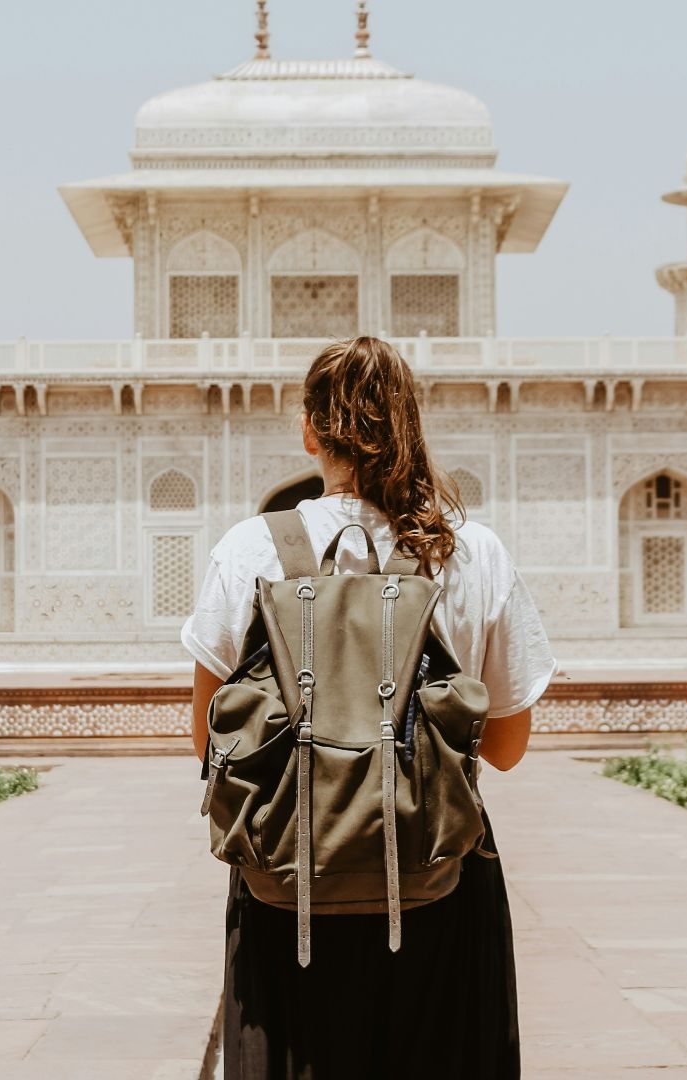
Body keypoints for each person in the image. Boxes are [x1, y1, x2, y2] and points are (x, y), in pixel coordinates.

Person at [182, 336, 556, 1078]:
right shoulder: (469, 552)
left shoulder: (249, 550)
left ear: (310, 431)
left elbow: (207, 740)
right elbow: (508, 749)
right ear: (412, 425)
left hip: (286, 887)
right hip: (436, 878)